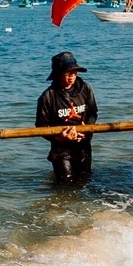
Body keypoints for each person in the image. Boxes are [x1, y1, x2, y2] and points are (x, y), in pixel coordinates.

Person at [36, 50, 98, 185]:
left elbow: (93, 113)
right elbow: (41, 127)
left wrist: (86, 128)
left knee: (84, 180)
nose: (72, 76)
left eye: (74, 72)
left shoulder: (85, 89)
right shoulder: (48, 96)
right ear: (58, 74)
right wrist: (60, 137)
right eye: (68, 73)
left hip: (83, 145)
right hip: (61, 149)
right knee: (65, 183)